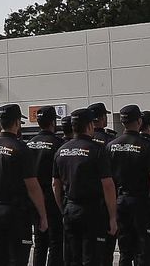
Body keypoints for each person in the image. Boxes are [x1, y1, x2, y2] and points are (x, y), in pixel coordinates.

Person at [0, 104, 48, 266]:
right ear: (17, 122)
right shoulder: (20, 148)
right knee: (17, 259)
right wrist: (42, 214)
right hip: (16, 212)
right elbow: (32, 186)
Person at [51, 109, 118, 266]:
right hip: (92, 211)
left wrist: (63, 208)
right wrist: (113, 216)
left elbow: (55, 184)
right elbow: (108, 185)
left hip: (70, 209)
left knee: (72, 257)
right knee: (92, 257)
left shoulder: (61, 151)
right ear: (89, 126)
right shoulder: (97, 150)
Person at [108, 106, 150, 266]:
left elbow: (107, 181)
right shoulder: (147, 146)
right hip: (142, 204)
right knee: (145, 251)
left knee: (125, 251)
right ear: (139, 121)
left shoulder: (111, 146)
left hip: (120, 203)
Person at [27, 108, 63, 266]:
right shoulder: (58, 144)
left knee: (40, 242)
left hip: (33, 197)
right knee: (55, 241)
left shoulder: (29, 144)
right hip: (51, 197)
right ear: (53, 122)